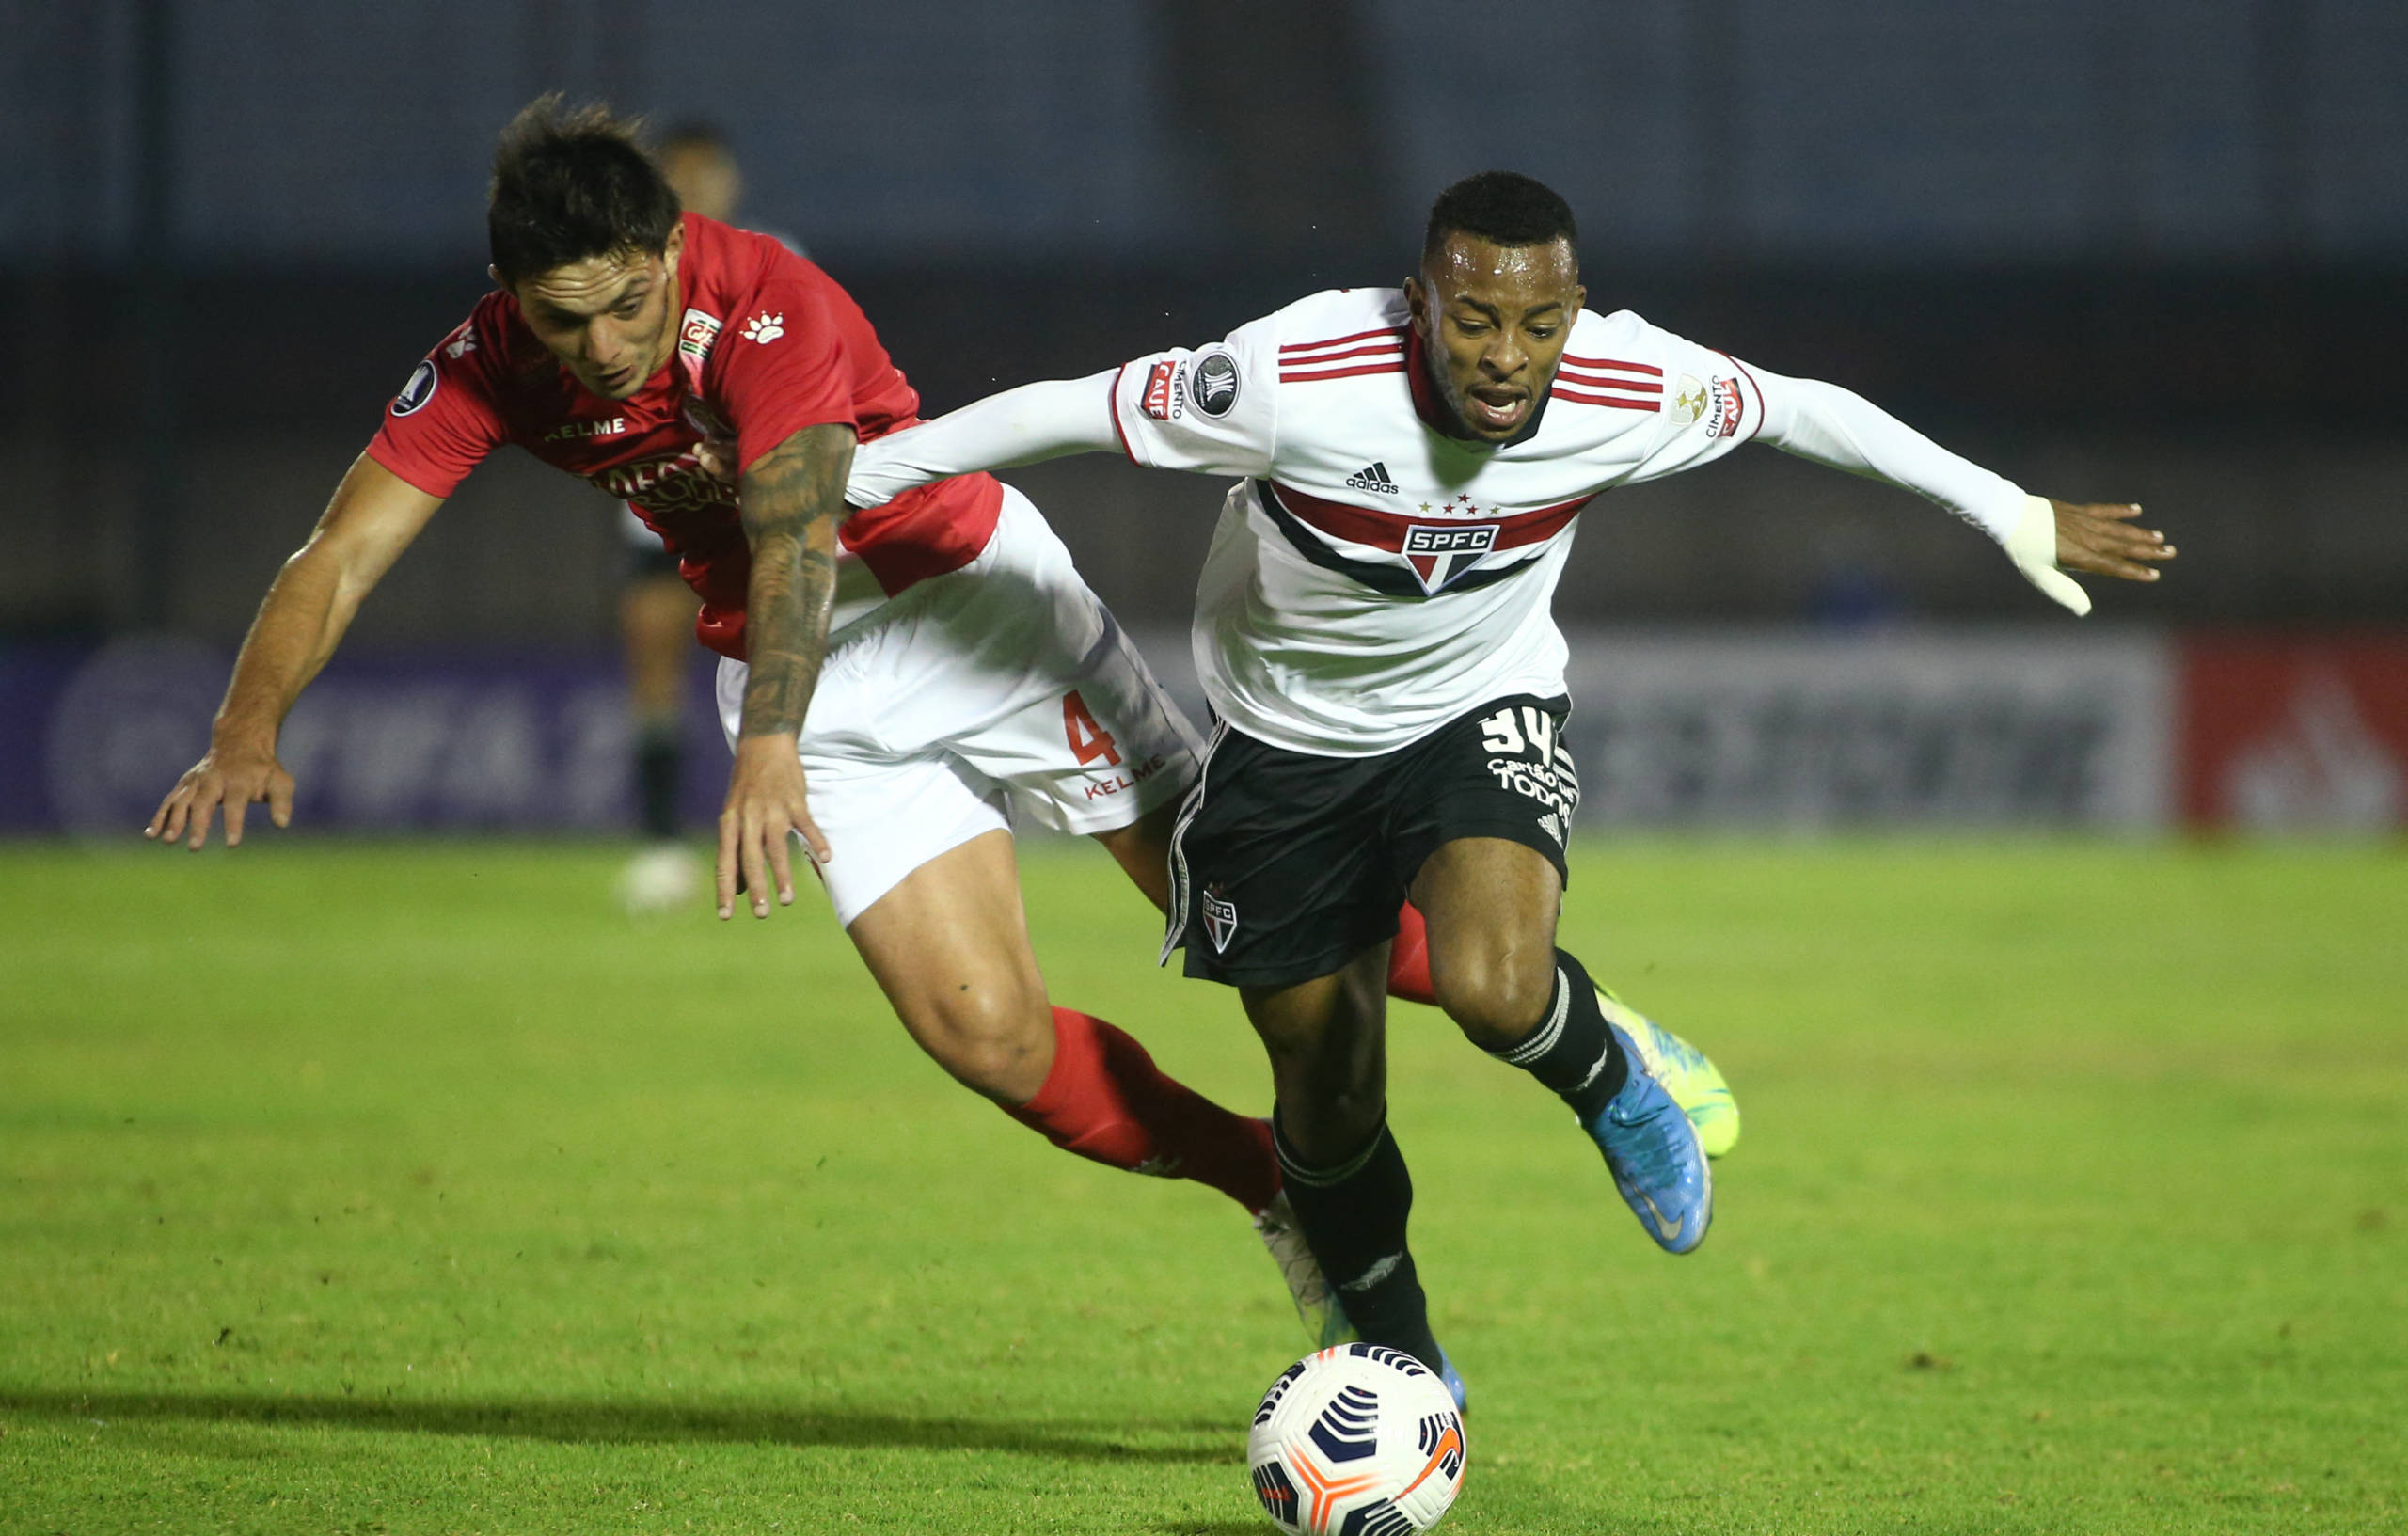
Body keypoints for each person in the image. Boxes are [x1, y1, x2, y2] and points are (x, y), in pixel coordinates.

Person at [843, 170, 2177, 1396]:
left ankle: (1613, 1085)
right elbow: (1063, 410)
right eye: (1474, 320)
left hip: (1477, 705)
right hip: (1283, 743)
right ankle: (1398, 1343)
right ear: (1418, 301)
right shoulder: (1293, 374)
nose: (1505, 356)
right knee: (1325, 1084)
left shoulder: (1631, 382)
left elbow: (1801, 407)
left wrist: (2009, 510)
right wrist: (857, 475)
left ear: (1573, 311)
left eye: (1538, 325)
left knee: (1494, 979)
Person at [146, 96, 1378, 1341]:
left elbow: (796, 539)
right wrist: (245, 731)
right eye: (564, 319)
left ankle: (1502, 992)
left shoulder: (769, 302)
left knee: (1247, 906)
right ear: (511, 295)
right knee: (987, 1036)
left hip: (971, 607)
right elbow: (339, 553)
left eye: (629, 303)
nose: (604, 345)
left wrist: (765, 746)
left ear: (672, 246)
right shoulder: (486, 361)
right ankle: (1274, 1184)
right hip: (806, 681)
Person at [614, 122, 792, 912]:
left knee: (790, 665)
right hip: (662, 509)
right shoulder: (624, 273)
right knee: (655, 673)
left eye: (705, 172)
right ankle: (659, 842)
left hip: (759, 511)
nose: (693, 186)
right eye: (677, 174)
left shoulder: (774, 259)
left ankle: (793, 826)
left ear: (731, 181)